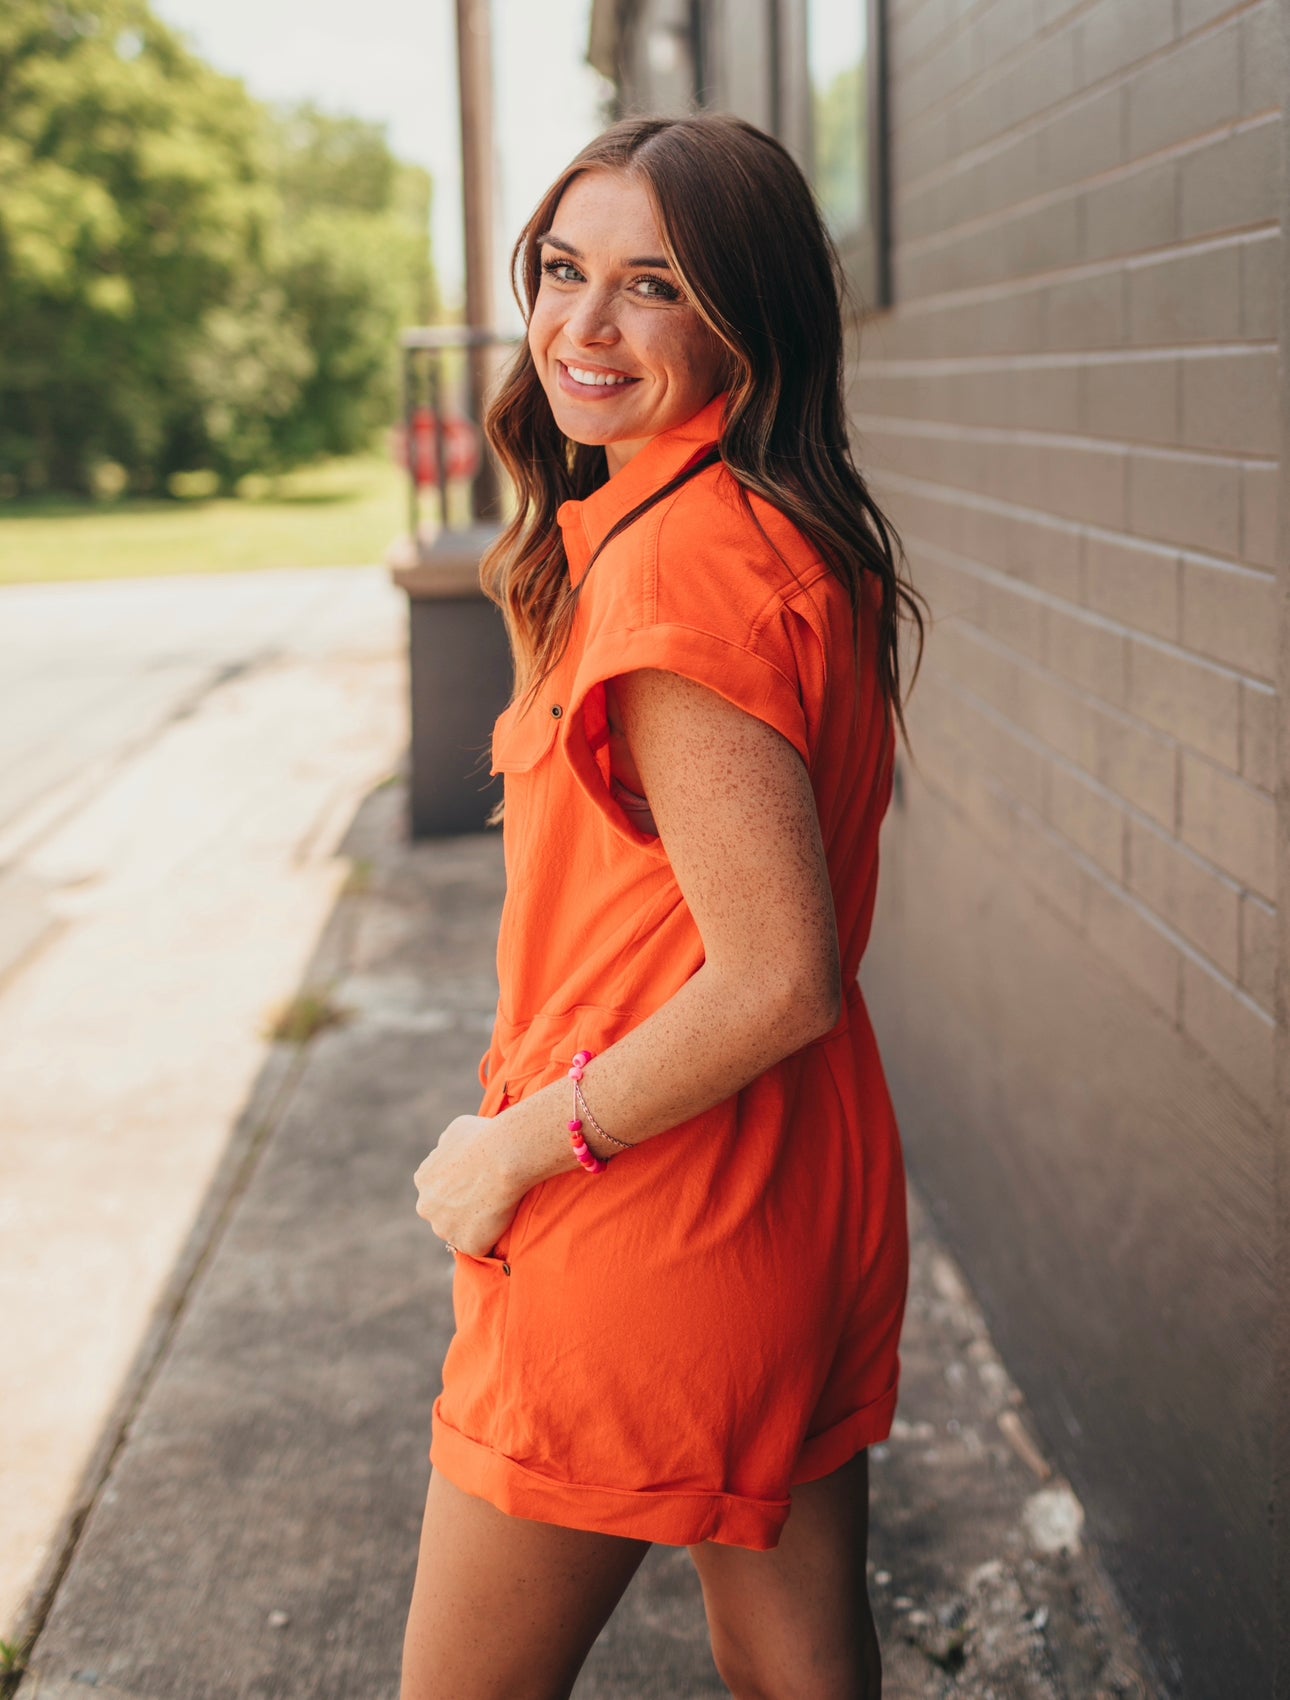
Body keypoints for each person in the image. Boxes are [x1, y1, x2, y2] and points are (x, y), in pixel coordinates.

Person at [404, 112, 927, 1700]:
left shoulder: (678, 571)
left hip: (648, 1209)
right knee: (795, 1670)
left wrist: (510, 1147)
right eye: (565, 272)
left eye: (655, 287)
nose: (583, 326)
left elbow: (776, 977)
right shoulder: (755, 524)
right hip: (790, 1195)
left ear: (745, 318)